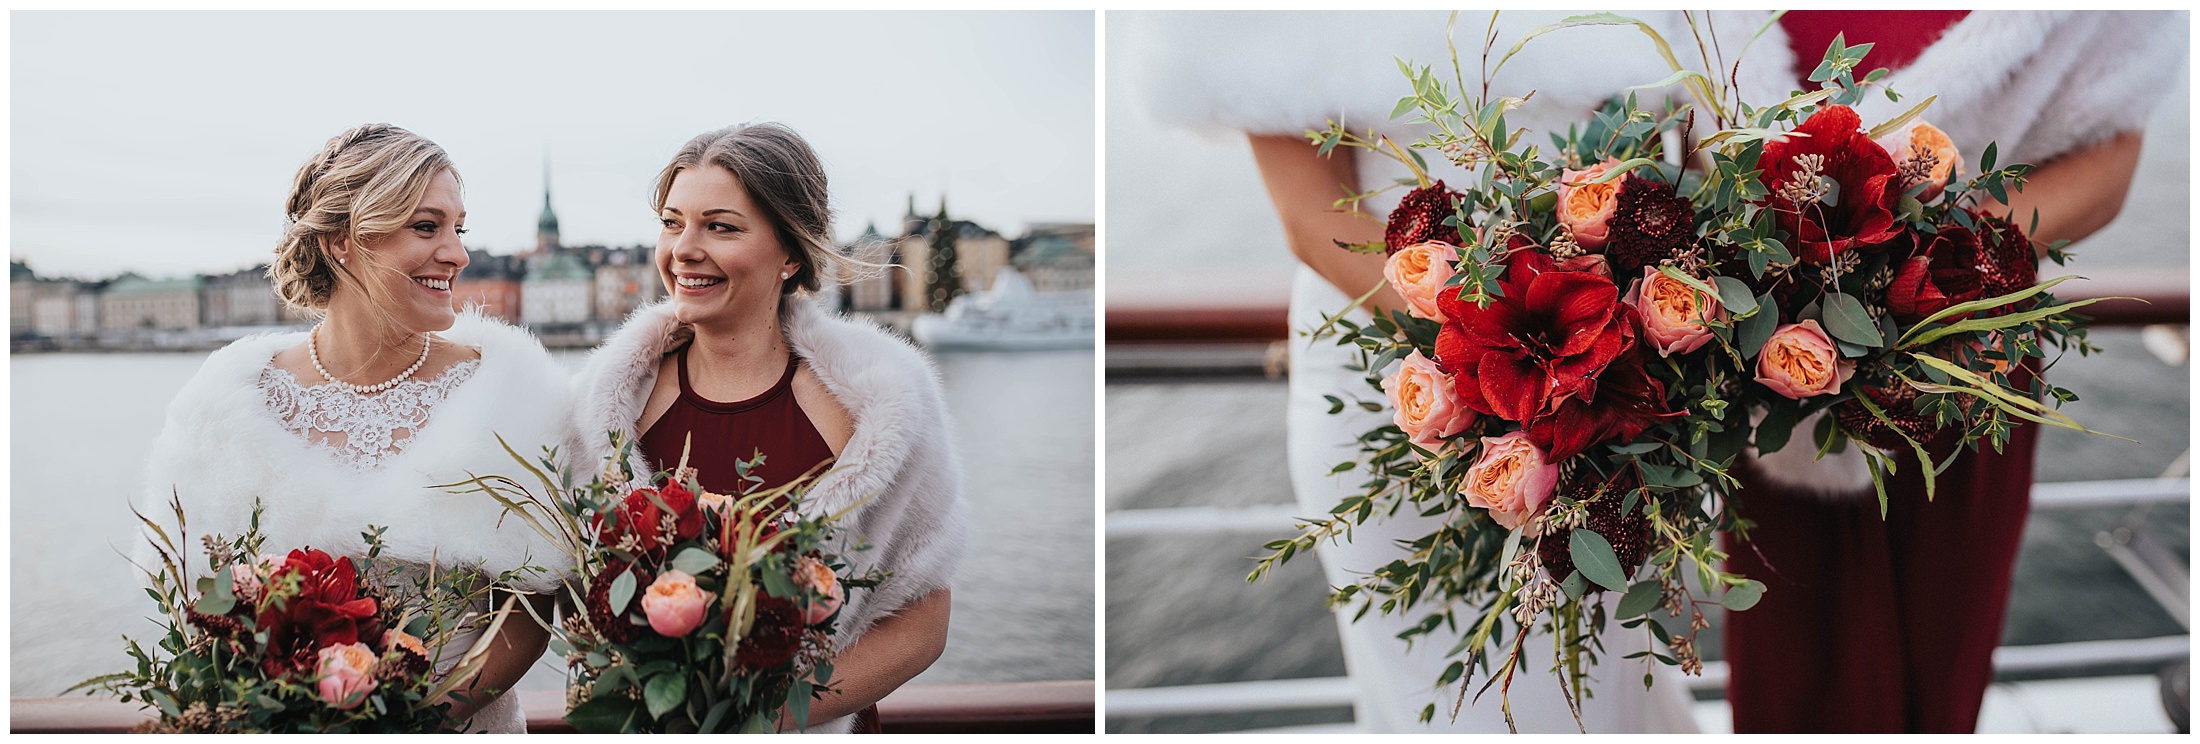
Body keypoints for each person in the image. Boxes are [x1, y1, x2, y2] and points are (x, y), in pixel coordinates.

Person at [1125, 10, 1734, 733]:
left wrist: (1655, 331)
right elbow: (1310, 216)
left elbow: (1697, 147)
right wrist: (1488, 359)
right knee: (1437, 703)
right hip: (1394, 380)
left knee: (1595, 686)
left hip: (1602, 371)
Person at [1717, 10, 2184, 733]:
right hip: (1767, 373)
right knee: (1786, 646)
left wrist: (1917, 273)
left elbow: (2110, 159)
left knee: (1939, 646)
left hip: (1963, 351)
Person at [137, 124, 575, 732]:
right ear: (342, 240)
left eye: (458, 228)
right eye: (426, 227)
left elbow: (530, 608)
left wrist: (412, 720)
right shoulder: (230, 404)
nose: (457, 253)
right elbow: (198, 603)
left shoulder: (507, 395)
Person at [571, 123, 967, 734]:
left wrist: (750, 722)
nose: (683, 250)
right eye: (672, 223)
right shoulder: (605, 400)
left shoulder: (883, 405)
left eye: (721, 226)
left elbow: (922, 620)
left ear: (790, 252)